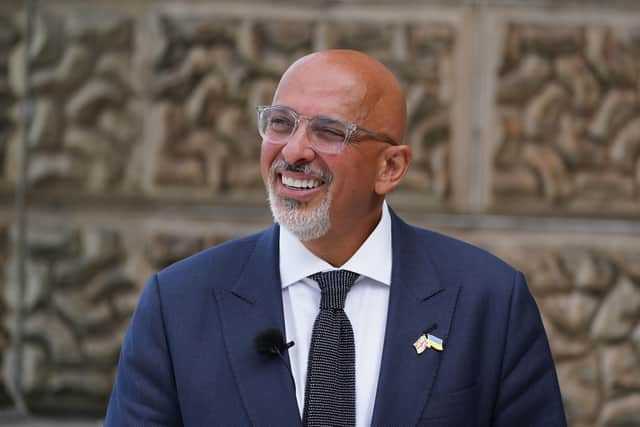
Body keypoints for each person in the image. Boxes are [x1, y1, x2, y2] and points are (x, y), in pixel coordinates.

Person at [105, 50, 567, 426]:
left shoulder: (488, 301)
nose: (294, 151)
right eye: (281, 123)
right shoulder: (180, 303)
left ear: (391, 167)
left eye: (328, 132)